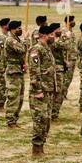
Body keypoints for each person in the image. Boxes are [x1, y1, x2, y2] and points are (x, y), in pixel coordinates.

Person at [28, 23, 58, 155]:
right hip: (40, 91)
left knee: (46, 120)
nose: (54, 37)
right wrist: (38, 90)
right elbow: (34, 71)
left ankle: (41, 146)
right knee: (40, 119)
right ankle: (36, 148)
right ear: (44, 35)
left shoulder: (47, 48)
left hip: (48, 89)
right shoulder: (37, 49)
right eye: (51, 35)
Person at [2, 20, 26, 127]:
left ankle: (15, 119)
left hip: (19, 70)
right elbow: (22, 49)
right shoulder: (10, 40)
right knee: (13, 97)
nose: (20, 30)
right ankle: (10, 120)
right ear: (13, 29)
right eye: (18, 28)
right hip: (13, 72)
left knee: (20, 97)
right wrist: (26, 39)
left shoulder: (16, 39)